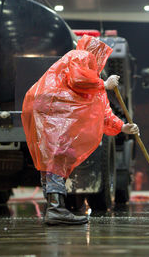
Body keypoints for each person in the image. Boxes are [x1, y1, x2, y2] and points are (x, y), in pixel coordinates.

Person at [21, 35, 139, 225]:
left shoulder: (92, 78)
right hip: (52, 110)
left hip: (52, 112)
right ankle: (55, 209)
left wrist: (123, 126)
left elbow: (102, 111)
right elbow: (77, 80)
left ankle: (54, 207)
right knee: (56, 158)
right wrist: (104, 84)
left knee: (54, 159)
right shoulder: (80, 56)